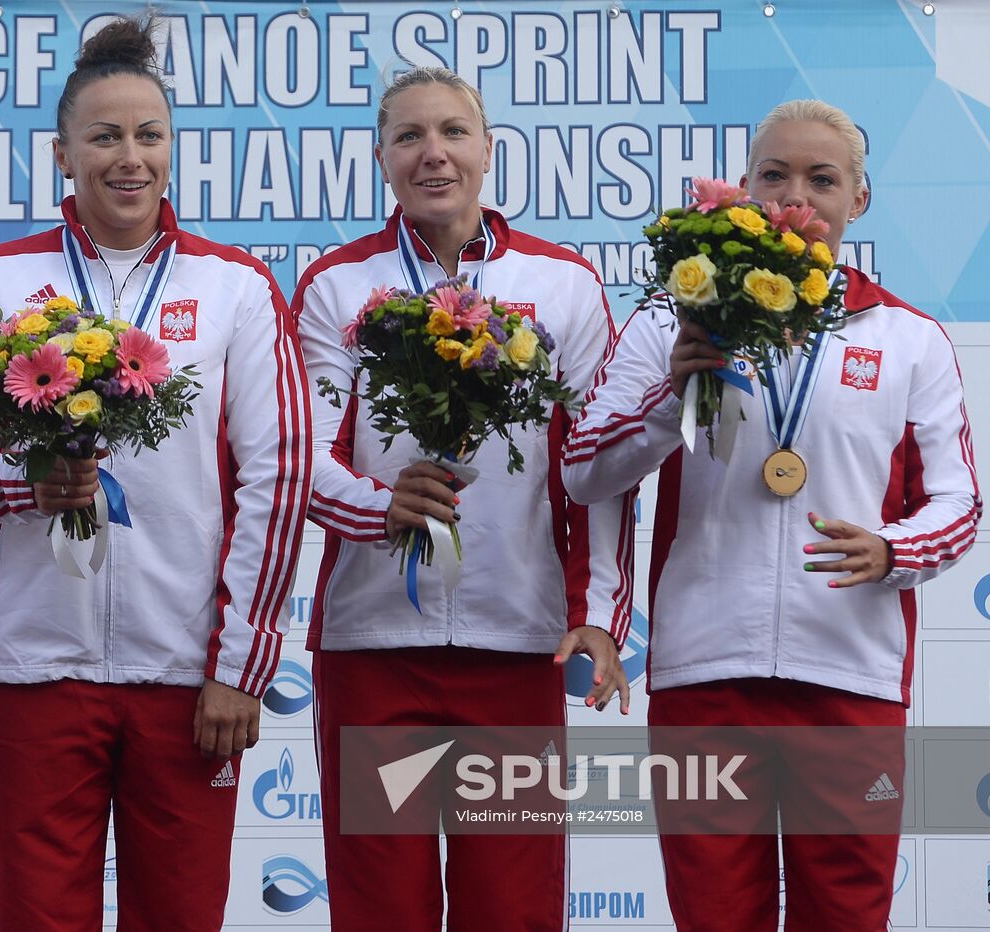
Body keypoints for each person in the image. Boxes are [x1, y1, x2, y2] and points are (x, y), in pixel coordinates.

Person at [562, 99, 980, 930]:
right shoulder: (669, 319)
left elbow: (959, 503)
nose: (797, 199)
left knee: (848, 915)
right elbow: (584, 472)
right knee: (714, 915)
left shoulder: (908, 337)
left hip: (850, 680)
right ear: (744, 191)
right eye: (774, 176)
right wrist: (668, 396)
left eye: (822, 180)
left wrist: (892, 550)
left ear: (859, 200)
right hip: (704, 676)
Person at [0, 18, 310, 931]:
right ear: (64, 154)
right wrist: (31, 483)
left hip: (187, 675)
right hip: (37, 667)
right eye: (104, 137)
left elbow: (279, 475)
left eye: (148, 136)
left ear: (173, 149)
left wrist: (241, 664)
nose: (128, 158)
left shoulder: (235, 286)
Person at [293, 65, 634, 931]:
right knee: (381, 908)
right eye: (409, 137)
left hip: (520, 642)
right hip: (374, 648)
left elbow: (593, 466)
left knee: (512, 907)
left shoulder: (562, 284)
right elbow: (303, 455)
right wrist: (381, 506)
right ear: (381, 158)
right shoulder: (337, 285)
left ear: (488, 150)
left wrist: (598, 609)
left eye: (452, 132)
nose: (432, 153)